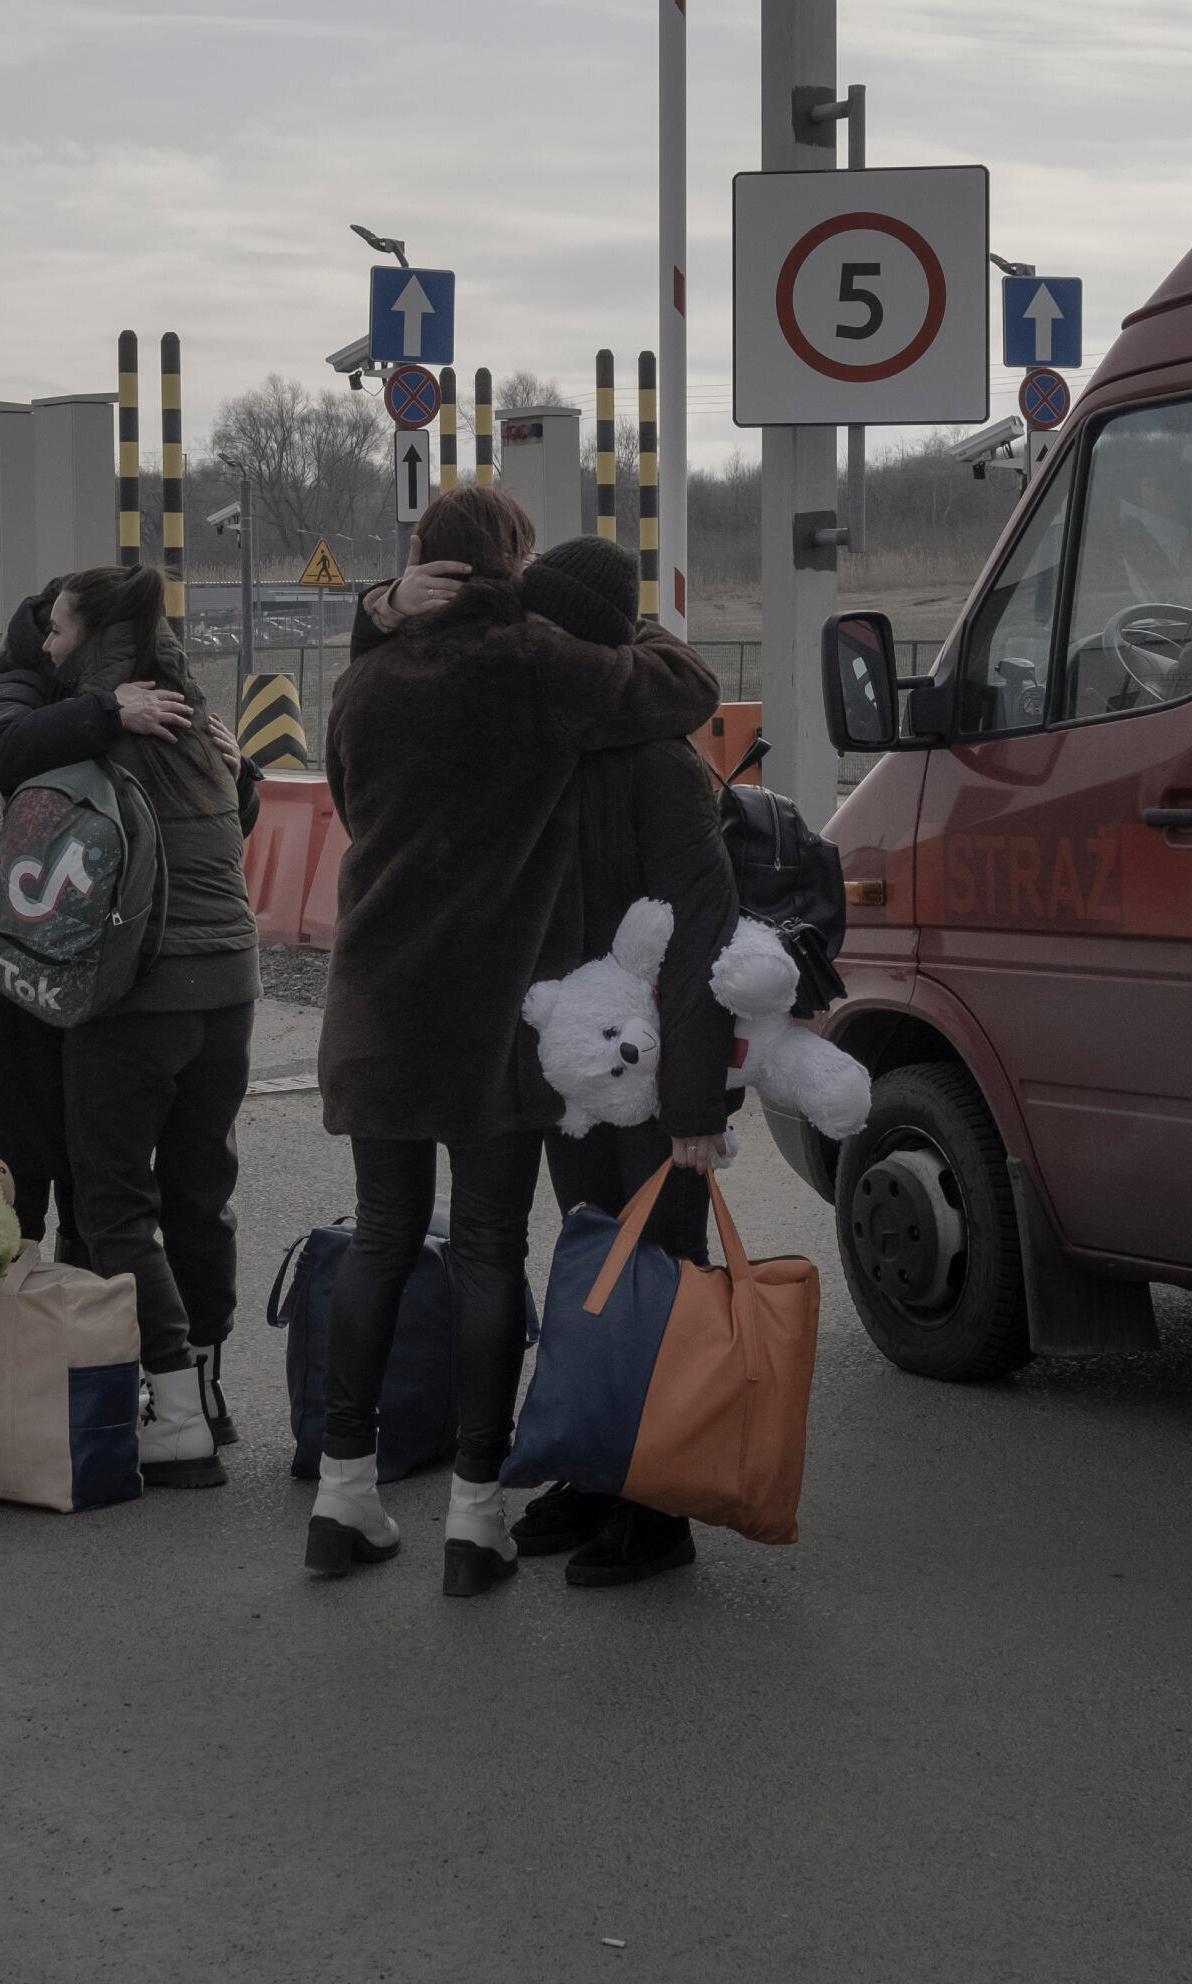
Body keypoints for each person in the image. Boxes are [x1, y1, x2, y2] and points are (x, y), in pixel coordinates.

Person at [309, 487, 722, 1596]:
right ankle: (473, 1520)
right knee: (490, 1250)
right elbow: (688, 688)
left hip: (372, 1005)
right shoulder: (537, 663)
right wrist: (637, 627)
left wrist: (378, 611)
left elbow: (353, 802)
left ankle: (342, 1497)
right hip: (488, 1016)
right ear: (512, 561)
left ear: (419, 561)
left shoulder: (363, 681)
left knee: (384, 1236)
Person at [505, 537, 739, 1589]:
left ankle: (660, 1507)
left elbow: (703, 935)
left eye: (542, 626)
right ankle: (600, 1474)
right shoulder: (558, 743)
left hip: (652, 1081)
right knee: (594, 1268)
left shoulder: (655, 761)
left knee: (658, 1285)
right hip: (579, 1079)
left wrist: (692, 1103)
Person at [47, 563, 262, 1488]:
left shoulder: (100, 739)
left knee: (114, 1204)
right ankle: (208, 1395)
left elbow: (33, 855)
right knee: (199, 1191)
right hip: (231, 990)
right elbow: (230, 824)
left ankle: (170, 1413)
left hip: (141, 997)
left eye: (59, 629)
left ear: (98, 639)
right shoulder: (202, 728)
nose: (48, 644)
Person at [0, 578, 195, 1265]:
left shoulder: (147, 701)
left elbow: (207, 826)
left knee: (94, 1201)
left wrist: (233, 772)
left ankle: (86, 1357)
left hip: (88, 988)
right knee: (6, 1203)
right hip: (6, 983)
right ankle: (13, 1353)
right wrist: (104, 712)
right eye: (51, 632)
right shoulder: (22, 685)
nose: (51, 645)